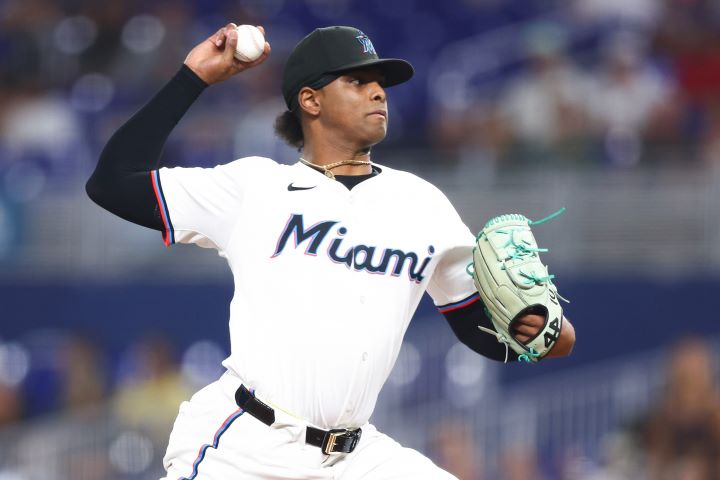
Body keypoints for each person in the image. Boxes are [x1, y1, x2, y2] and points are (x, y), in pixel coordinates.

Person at [86, 23, 576, 479]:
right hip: (246, 446)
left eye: (380, 83)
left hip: (355, 456)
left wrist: (537, 331)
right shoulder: (254, 189)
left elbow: (477, 326)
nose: (378, 92)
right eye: (357, 81)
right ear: (310, 100)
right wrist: (193, 77)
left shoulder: (423, 204)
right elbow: (112, 183)